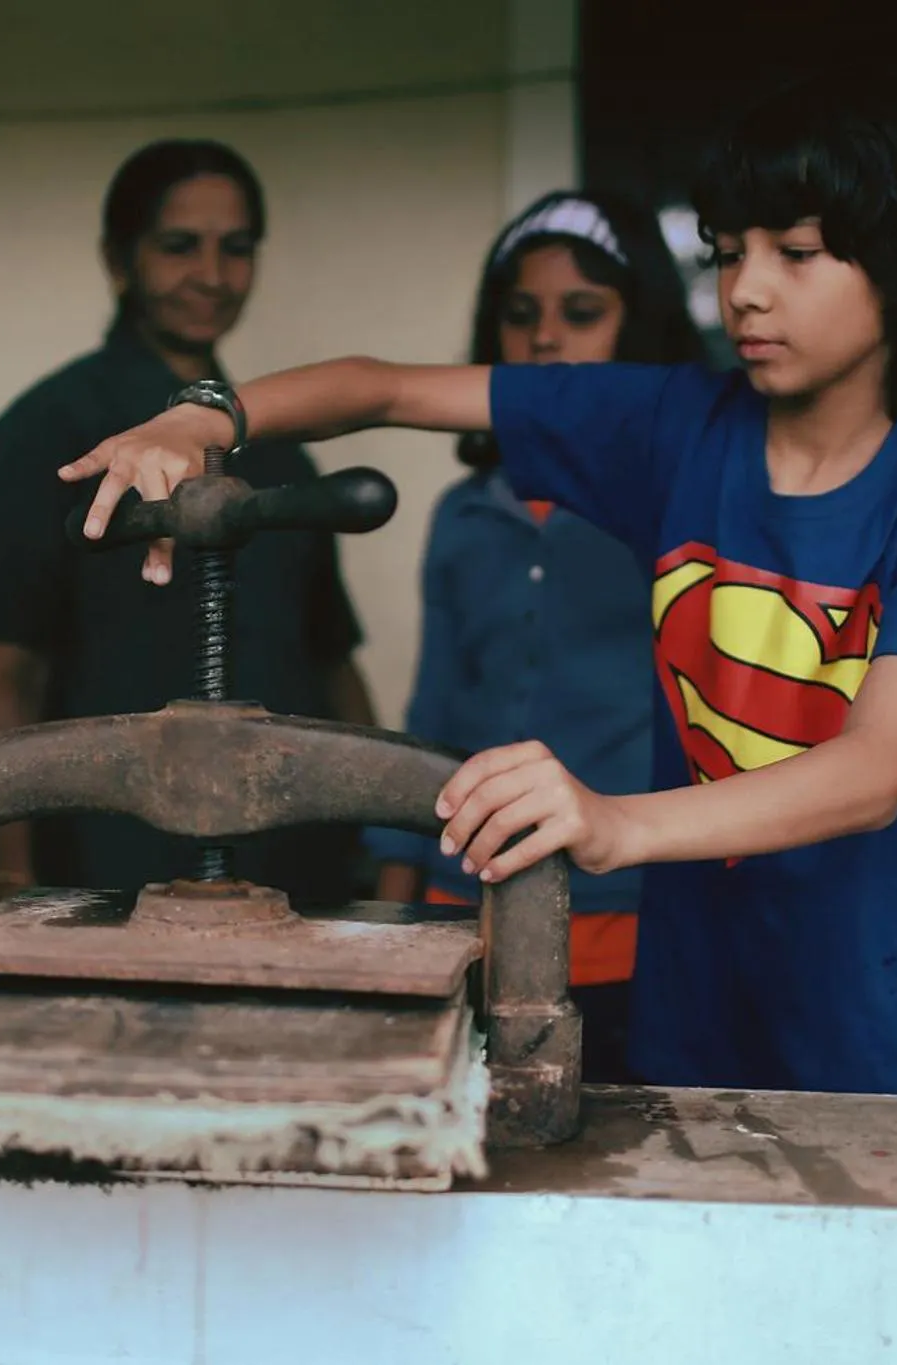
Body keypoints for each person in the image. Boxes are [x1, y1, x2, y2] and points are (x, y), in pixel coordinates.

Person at [56, 67, 897, 1097]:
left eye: (794, 253)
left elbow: (872, 775)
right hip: (708, 1020)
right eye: (726, 253)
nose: (744, 289)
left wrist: (616, 823)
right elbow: (389, 387)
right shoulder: (679, 426)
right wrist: (200, 418)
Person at [0, 138, 376, 906]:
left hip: (298, 868)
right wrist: (11, 878)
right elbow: (8, 674)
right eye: (180, 247)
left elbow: (331, 660)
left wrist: (377, 838)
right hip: (108, 867)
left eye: (236, 249)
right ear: (119, 259)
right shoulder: (49, 431)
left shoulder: (278, 447)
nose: (211, 275)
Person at [366, 190, 703, 1083]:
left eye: (582, 314)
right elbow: (431, 707)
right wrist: (390, 912)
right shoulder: (462, 515)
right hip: (467, 902)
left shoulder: (680, 507)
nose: (547, 339)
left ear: (639, 331)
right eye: (522, 317)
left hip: (630, 912)